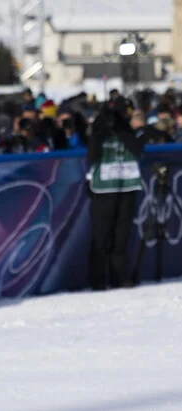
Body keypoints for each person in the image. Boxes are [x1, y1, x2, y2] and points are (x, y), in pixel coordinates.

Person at [86, 95, 145, 290]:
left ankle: (119, 276)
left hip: (126, 185)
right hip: (103, 189)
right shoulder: (99, 130)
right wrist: (101, 126)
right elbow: (93, 154)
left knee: (122, 236)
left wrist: (120, 127)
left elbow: (137, 149)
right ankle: (98, 279)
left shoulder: (128, 131)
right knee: (101, 236)